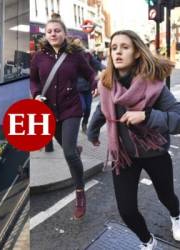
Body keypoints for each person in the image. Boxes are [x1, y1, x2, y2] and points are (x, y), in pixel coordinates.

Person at [87, 30, 180, 249]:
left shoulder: (154, 85)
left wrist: (147, 116)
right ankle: (148, 241)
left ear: (137, 52)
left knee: (166, 195)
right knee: (126, 210)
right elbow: (102, 110)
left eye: (124, 47)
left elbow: (178, 118)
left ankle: (176, 215)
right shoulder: (107, 85)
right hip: (124, 155)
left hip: (154, 152)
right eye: (114, 48)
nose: (117, 52)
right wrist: (92, 132)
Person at [30, 19, 97, 220]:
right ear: (45, 34)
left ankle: (80, 193)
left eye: (57, 30)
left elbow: (90, 73)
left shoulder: (75, 56)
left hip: (71, 108)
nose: (53, 34)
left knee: (68, 153)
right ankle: (74, 149)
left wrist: (95, 84)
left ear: (64, 33)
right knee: (68, 148)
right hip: (49, 111)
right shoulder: (38, 57)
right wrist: (35, 95)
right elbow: (33, 79)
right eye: (49, 31)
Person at [73, 38, 105, 133]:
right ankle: (74, 124)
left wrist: (107, 69)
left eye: (79, 43)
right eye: (76, 44)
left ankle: (84, 123)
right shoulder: (71, 57)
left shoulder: (87, 55)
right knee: (82, 107)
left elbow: (97, 64)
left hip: (88, 86)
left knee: (88, 109)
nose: (79, 45)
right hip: (77, 88)